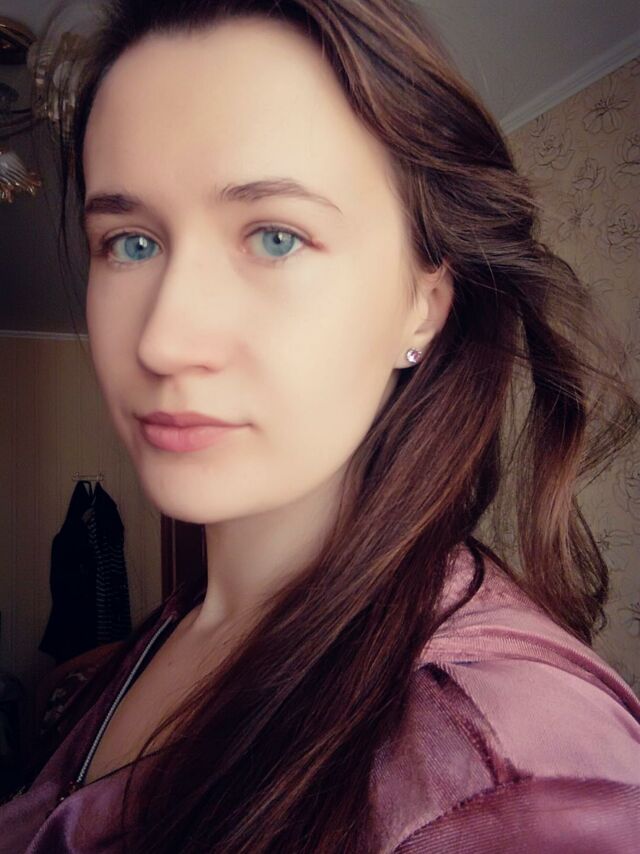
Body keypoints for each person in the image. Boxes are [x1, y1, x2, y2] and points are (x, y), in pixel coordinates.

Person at [2, 0, 639, 851]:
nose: (161, 341)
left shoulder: (505, 776)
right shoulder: (183, 623)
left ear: (423, 304)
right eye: (131, 243)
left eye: (275, 237)